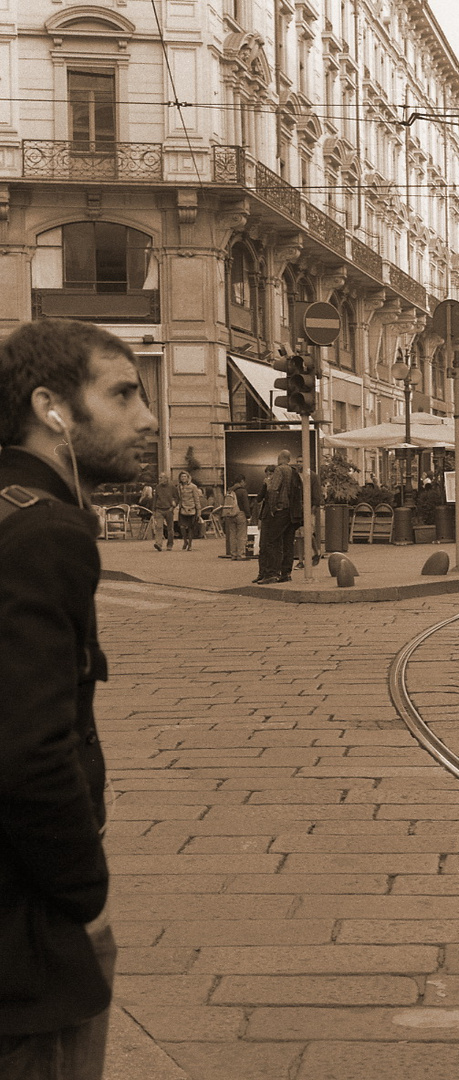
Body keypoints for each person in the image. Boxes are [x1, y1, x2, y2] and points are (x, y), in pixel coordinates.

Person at [0, 318, 157, 1079]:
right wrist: (84, 899)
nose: (148, 417)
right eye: (123, 393)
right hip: (24, 923)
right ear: (51, 408)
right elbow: (31, 749)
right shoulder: (48, 533)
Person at [255, 450, 298, 583]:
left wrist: (273, 508)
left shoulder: (280, 470)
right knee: (288, 543)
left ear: (280, 458)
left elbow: (273, 490)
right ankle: (286, 573)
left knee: (272, 542)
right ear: (289, 459)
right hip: (292, 513)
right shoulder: (294, 471)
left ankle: (271, 574)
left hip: (281, 511)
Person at [220, 475, 250, 560]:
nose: (245, 483)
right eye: (244, 482)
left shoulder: (229, 491)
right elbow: (245, 504)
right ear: (241, 481)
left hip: (230, 514)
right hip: (240, 514)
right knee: (241, 535)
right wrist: (248, 516)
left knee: (232, 535)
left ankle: (233, 554)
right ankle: (241, 554)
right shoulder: (242, 491)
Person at [174, 469, 205, 551]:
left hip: (192, 509)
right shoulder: (179, 487)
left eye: (185, 476)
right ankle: (185, 541)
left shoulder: (193, 487)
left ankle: (190, 544)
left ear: (188, 478)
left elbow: (196, 499)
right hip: (182, 508)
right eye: (181, 477)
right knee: (182, 526)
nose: (183, 478)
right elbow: (178, 497)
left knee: (191, 527)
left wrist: (199, 511)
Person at [151, 471, 178, 550]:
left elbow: (177, 498)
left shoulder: (172, 487)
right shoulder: (158, 487)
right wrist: (154, 510)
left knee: (170, 528)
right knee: (159, 527)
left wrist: (174, 505)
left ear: (166, 479)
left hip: (169, 509)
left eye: (161, 477)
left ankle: (170, 544)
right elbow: (155, 498)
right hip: (159, 509)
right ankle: (158, 544)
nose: (159, 479)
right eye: (159, 477)